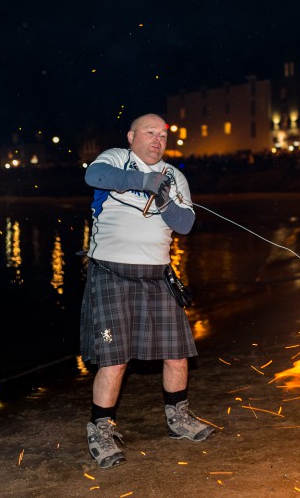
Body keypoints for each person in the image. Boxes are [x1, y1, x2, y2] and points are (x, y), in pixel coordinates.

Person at [80, 113, 215, 469]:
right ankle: (101, 429)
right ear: (131, 136)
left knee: (177, 353)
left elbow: (185, 224)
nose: (158, 140)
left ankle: (179, 419)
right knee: (115, 359)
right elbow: (93, 176)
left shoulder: (176, 176)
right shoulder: (113, 158)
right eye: (150, 133)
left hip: (157, 277)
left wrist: (165, 198)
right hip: (110, 273)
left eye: (163, 135)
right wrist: (143, 180)